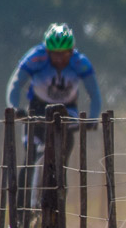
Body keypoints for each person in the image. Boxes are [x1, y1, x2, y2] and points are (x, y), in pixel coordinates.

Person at [6, 22, 102, 155]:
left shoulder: (81, 62)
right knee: (30, 158)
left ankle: (60, 172)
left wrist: (93, 118)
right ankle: (30, 172)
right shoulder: (35, 57)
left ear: (71, 51)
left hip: (67, 109)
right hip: (38, 107)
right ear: (47, 51)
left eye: (64, 54)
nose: (59, 59)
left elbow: (94, 93)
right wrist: (14, 108)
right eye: (54, 54)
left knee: (62, 155)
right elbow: (16, 83)